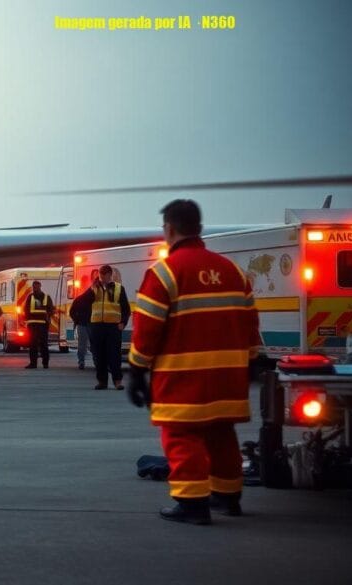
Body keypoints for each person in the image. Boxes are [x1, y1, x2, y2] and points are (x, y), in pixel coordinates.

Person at [127, 199, 261, 525]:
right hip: (228, 377)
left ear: (169, 229)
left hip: (184, 378)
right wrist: (251, 364)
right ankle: (228, 496)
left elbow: (147, 328)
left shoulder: (164, 274)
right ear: (199, 228)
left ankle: (192, 504)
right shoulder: (233, 271)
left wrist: (137, 371)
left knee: (181, 436)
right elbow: (251, 325)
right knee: (221, 434)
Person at [77, 265, 130, 390]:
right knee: (99, 355)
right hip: (97, 327)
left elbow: (126, 309)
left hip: (113, 327)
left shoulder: (118, 289)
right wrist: (83, 319)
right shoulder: (94, 288)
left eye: (103, 276)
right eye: (100, 276)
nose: (101, 278)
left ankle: (118, 381)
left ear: (109, 275)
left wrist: (123, 322)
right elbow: (81, 302)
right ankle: (102, 381)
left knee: (114, 355)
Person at [69, 270, 99, 370]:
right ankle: (96, 362)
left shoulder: (79, 299)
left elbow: (72, 312)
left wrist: (76, 320)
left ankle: (81, 362)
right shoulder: (94, 299)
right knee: (94, 344)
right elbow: (72, 312)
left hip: (82, 324)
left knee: (82, 345)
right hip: (91, 324)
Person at [24, 280, 54, 369]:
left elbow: (50, 310)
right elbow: (51, 310)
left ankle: (41, 363)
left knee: (40, 344)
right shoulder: (31, 297)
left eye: (36, 287)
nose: (35, 289)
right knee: (35, 344)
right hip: (36, 324)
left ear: (40, 287)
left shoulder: (44, 297)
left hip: (39, 325)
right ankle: (38, 363)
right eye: (34, 287)